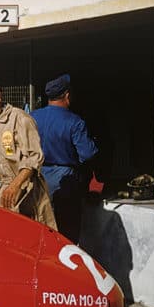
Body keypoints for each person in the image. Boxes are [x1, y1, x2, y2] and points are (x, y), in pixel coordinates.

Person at [0, 74, 57, 228]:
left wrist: (15, 186)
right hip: (5, 193)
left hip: (28, 191)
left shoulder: (20, 119)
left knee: (32, 239)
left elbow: (34, 158)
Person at [31, 74, 98, 242]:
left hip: (37, 179)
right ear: (67, 95)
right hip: (65, 180)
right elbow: (88, 154)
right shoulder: (74, 121)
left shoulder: (32, 117)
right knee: (67, 233)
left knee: (41, 228)